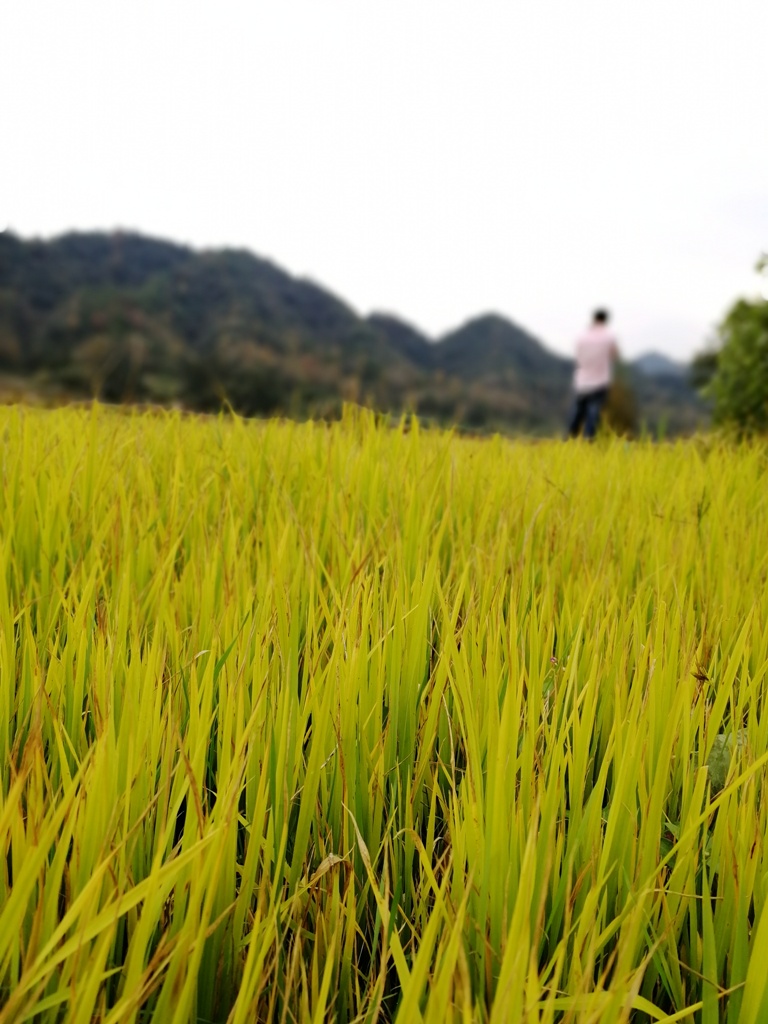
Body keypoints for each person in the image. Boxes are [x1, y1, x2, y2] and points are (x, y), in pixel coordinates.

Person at [567, 308, 619, 439]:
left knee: (578, 410)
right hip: (600, 380)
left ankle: (570, 437)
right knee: (594, 410)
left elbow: (577, 356)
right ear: (605, 320)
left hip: (581, 379)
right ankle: (589, 438)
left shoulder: (582, 336)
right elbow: (614, 355)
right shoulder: (609, 336)